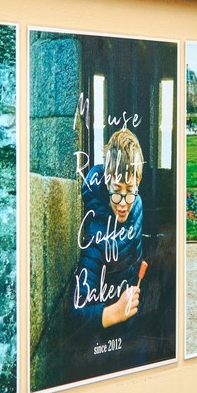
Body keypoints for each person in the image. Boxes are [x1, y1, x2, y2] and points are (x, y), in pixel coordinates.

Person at [66, 127, 146, 379]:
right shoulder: (96, 233)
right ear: (106, 180)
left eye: (130, 190)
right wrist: (114, 313)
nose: (123, 203)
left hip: (133, 329)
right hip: (106, 348)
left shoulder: (137, 204)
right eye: (116, 190)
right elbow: (74, 314)